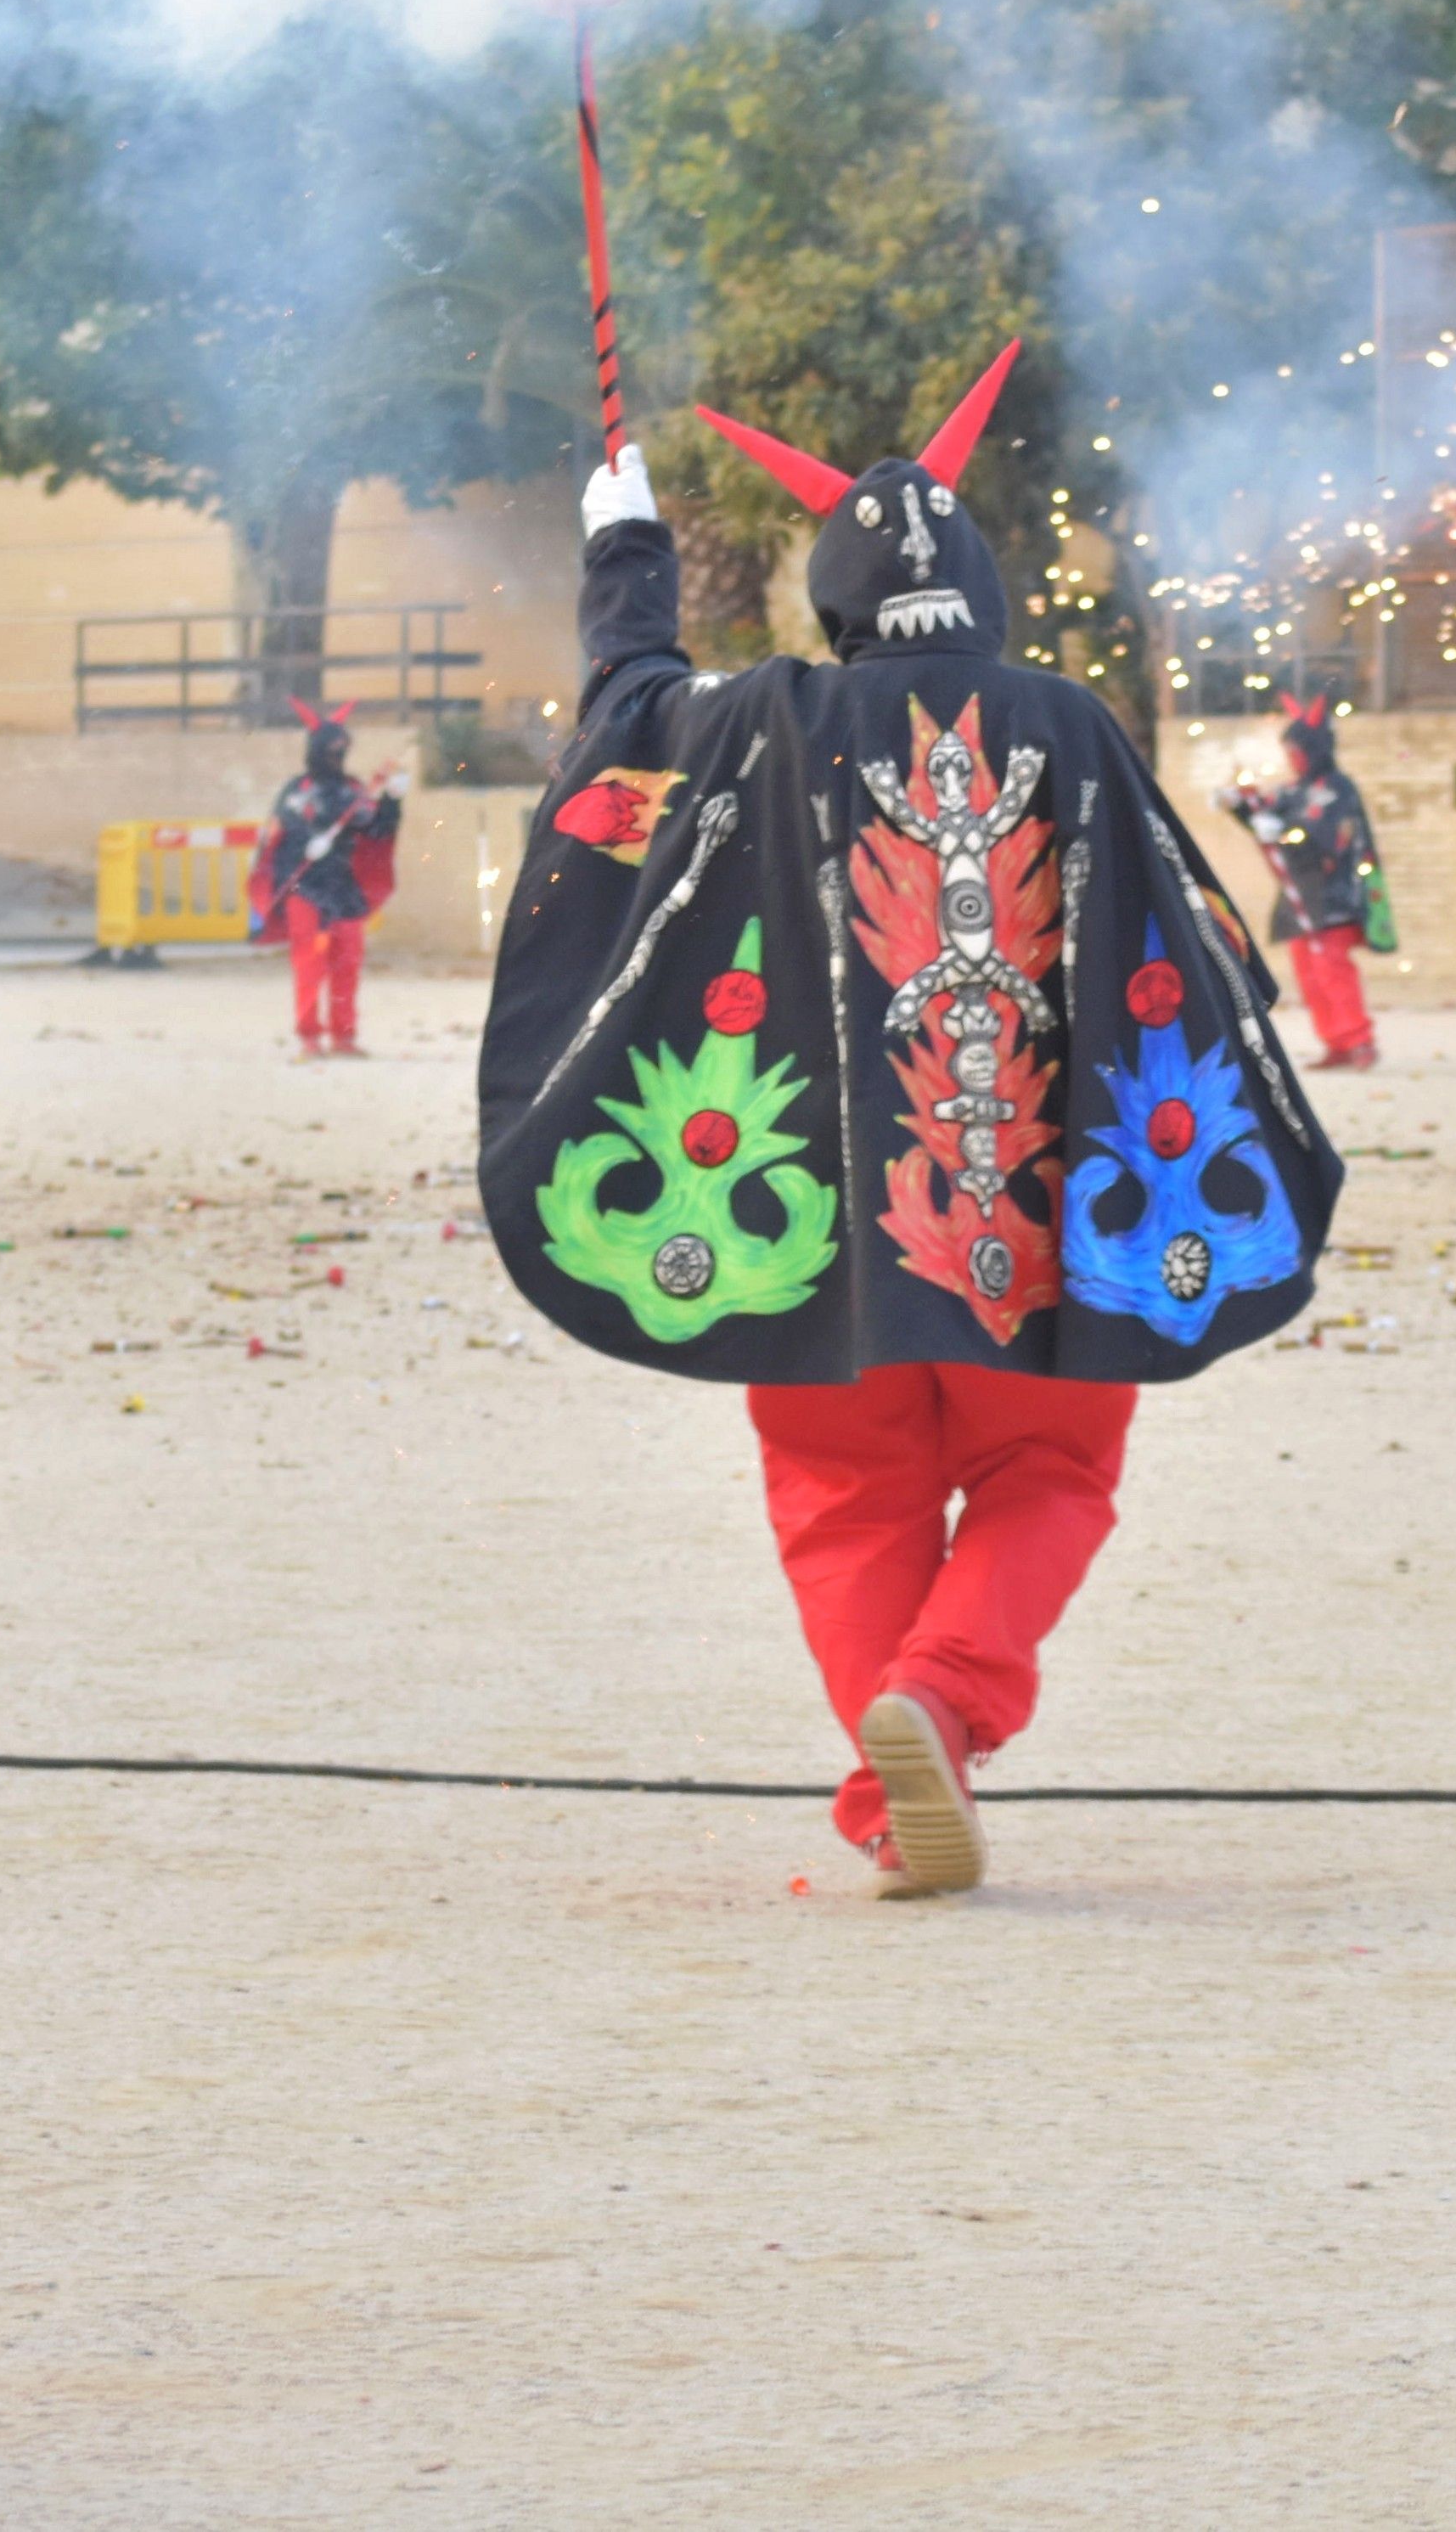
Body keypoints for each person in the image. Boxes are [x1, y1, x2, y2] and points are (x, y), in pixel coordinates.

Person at [479, 349, 1341, 1896]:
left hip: (824, 1232)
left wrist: (626, 554)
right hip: (1050, 1222)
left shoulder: (766, 717)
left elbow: (629, 719)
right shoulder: (1070, 721)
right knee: (1051, 1472)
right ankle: (936, 1702)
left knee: (842, 1495)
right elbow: (1197, 944)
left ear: (837, 602)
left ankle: (893, 1795)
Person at [1218, 694, 1387, 1070]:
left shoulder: (1337, 788)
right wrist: (1240, 805)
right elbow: (1265, 817)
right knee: (1309, 973)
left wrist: (1286, 830)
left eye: (1296, 751)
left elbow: (1325, 834)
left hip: (1332, 894)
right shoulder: (1292, 791)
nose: (1292, 758)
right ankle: (1335, 1040)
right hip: (1300, 895)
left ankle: (1358, 1039)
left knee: (1332, 969)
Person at [249, 695, 402, 1056]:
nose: (337, 758)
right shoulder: (296, 791)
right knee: (309, 964)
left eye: (341, 751)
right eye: (331, 751)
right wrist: (307, 844)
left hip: (343, 887)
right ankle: (309, 1036)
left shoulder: (353, 790)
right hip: (305, 888)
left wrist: (393, 801)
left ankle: (344, 1036)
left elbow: (376, 830)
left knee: (347, 964)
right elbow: (279, 834)